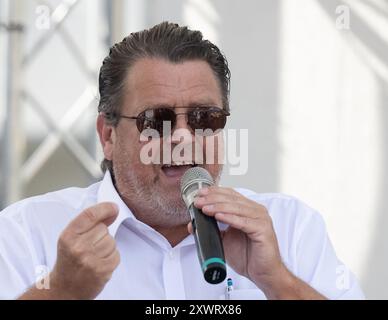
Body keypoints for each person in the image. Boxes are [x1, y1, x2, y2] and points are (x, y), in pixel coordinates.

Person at [0, 22, 364, 300]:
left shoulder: (290, 228)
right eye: (157, 120)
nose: (183, 137)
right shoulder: (27, 233)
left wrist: (277, 281)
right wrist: (61, 291)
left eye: (205, 118)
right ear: (108, 136)